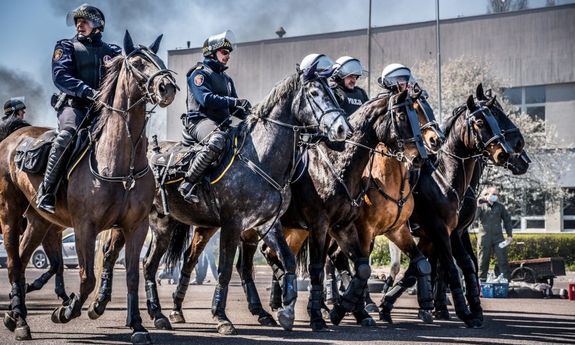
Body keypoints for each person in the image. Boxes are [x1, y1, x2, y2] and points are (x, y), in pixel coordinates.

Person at [36, 4, 121, 214]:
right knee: (67, 136)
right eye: (77, 21)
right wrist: (87, 91)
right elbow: (61, 76)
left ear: (98, 26)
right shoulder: (66, 46)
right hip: (75, 105)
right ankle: (47, 191)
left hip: (103, 109)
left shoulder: (113, 52)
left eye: (85, 21)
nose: (79, 25)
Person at [178, 30, 252, 203]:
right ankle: (188, 183)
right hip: (199, 122)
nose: (227, 56)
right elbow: (206, 99)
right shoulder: (198, 73)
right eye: (224, 52)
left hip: (221, 123)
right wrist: (234, 101)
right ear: (212, 52)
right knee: (217, 140)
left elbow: (235, 110)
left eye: (228, 53)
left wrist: (253, 115)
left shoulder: (227, 79)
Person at [476, 186, 513, 280]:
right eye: (493, 194)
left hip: (498, 238)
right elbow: (474, 218)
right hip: (484, 238)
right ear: (487, 195)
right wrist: (477, 206)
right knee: (482, 262)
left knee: (503, 260)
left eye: (496, 194)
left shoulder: (500, 207)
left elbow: (507, 220)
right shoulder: (481, 206)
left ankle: (506, 282)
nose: (495, 196)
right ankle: (481, 284)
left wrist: (509, 235)